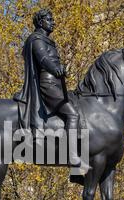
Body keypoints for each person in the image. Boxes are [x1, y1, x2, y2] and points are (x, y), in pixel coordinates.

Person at [14, 8, 81, 166]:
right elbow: (43, 59)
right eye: (49, 20)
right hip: (48, 84)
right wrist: (55, 69)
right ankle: (70, 154)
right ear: (40, 22)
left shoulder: (46, 40)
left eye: (52, 19)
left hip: (56, 84)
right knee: (73, 114)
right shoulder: (36, 39)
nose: (53, 22)